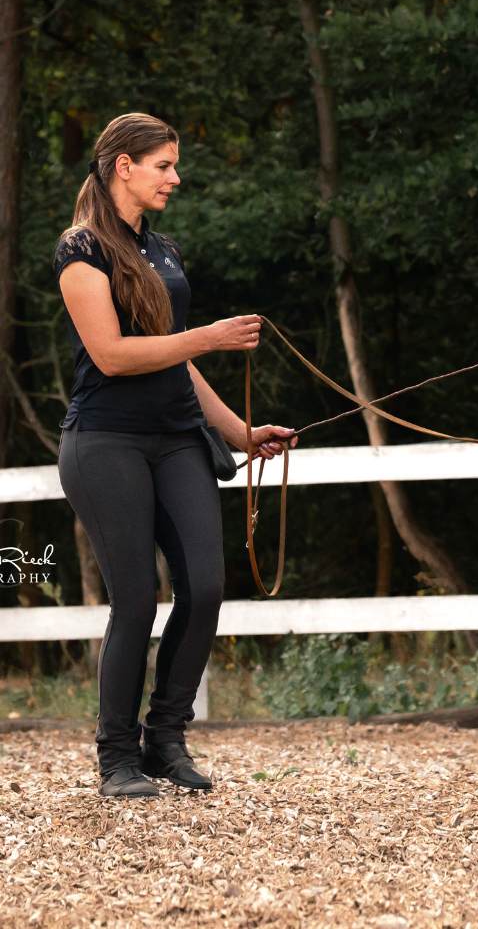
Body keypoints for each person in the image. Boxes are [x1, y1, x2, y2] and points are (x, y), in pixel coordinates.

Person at [53, 113, 296, 798]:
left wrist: (241, 432)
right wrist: (208, 337)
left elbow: (176, 362)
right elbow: (112, 355)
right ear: (124, 166)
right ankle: (117, 757)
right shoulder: (80, 249)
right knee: (135, 600)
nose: (175, 178)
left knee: (207, 588)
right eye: (163, 165)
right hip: (106, 441)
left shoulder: (164, 251)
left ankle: (165, 739)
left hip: (179, 438)